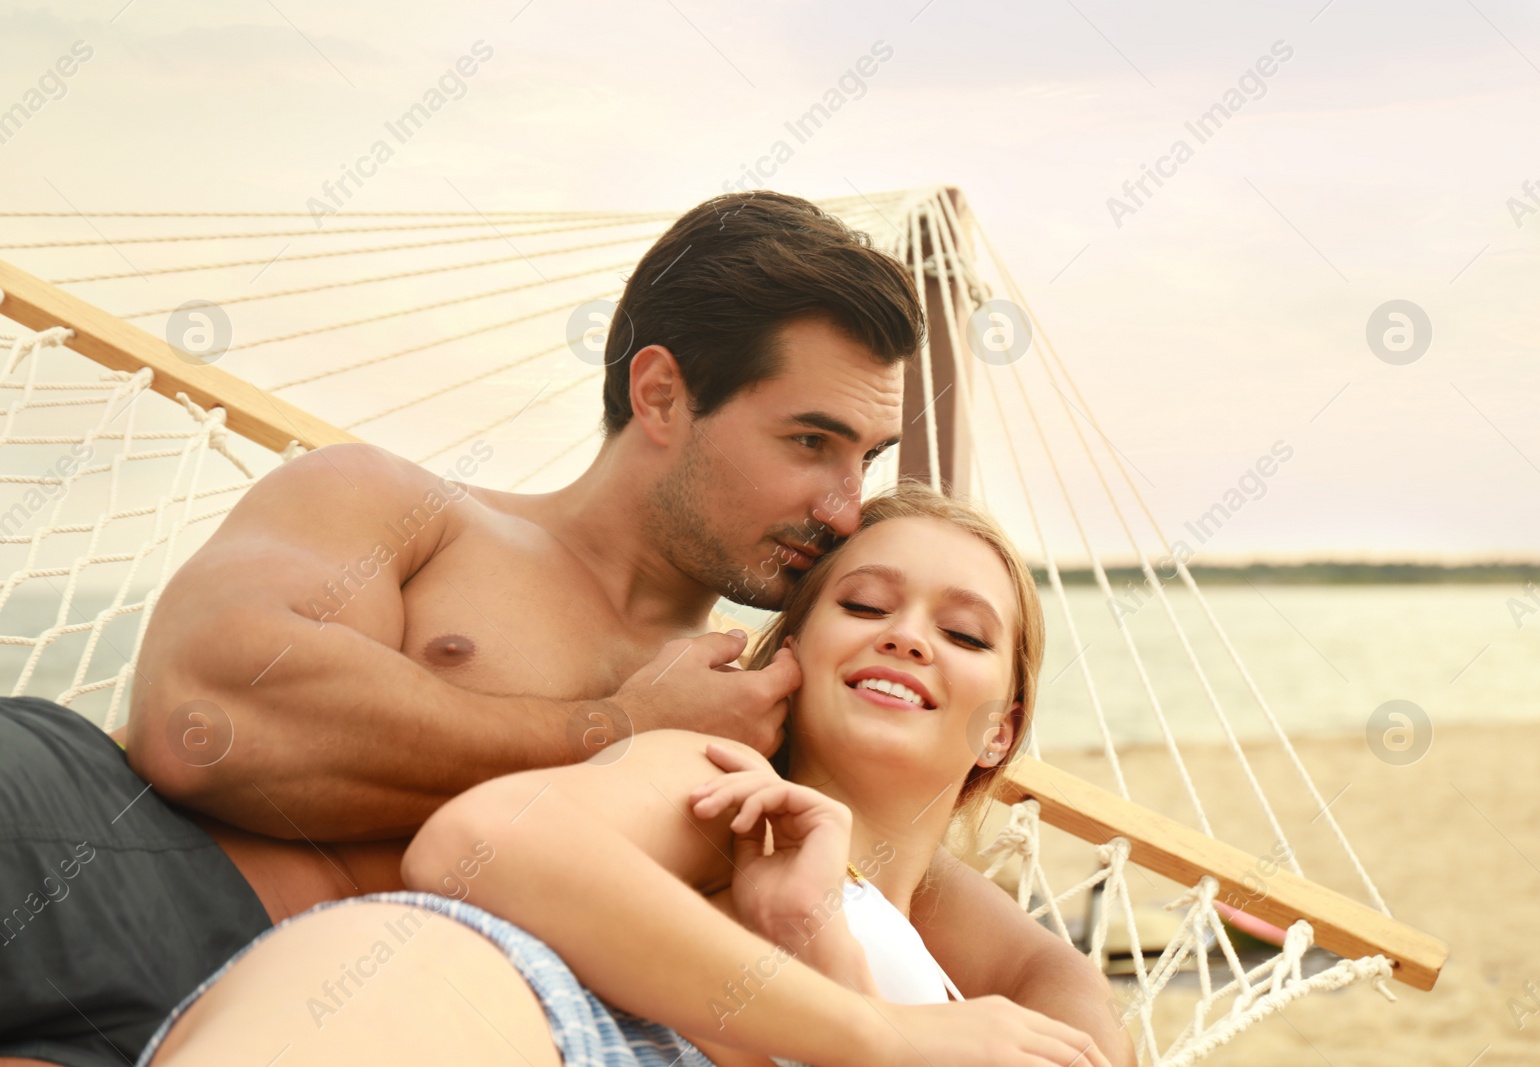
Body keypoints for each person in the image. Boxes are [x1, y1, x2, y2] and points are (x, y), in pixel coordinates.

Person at [0, 192, 1121, 1066]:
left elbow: (973, 927)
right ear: (662, 393)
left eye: (862, 462)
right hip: (94, 858)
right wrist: (613, 724)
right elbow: (204, 714)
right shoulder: (404, 510)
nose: (842, 507)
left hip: (289, 1008)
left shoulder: (757, 705)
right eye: (810, 442)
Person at [135, 483, 1133, 1066]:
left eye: (961, 631)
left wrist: (814, 936)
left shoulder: (950, 945)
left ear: (1001, 729)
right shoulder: (732, 787)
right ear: (791, 652)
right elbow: (478, 843)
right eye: (865, 605)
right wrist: (875, 1027)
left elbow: (1065, 988)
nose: (908, 637)